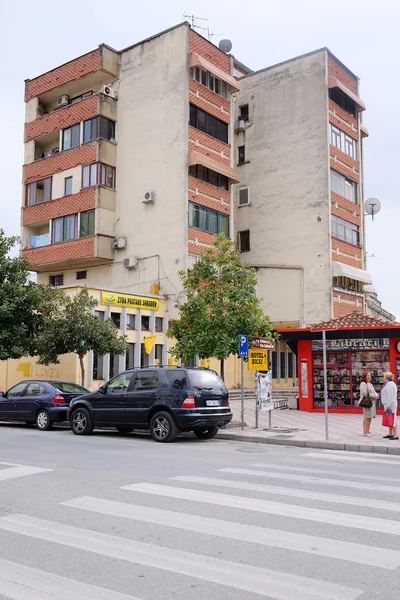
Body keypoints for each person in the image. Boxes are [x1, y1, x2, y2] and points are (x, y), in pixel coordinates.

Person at [359, 371, 378, 437]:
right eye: (368, 375)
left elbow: (374, 391)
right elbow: (364, 393)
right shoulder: (363, 384)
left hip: (371, 402)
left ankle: (368, 430)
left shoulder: (370, 384)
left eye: (370, 375)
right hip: (366, 402)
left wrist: (376, 395)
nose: (369, 377)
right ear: (364, 377)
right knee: (367, 417)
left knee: (370, 417)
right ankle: (365, 431)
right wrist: (373, 396)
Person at [381, 372, 398, 440]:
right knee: (390, 418)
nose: (383, 378)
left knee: (393, 419)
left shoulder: (390, 384)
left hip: (390, 404)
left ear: (387, 377)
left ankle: (395, 435)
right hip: (389, 404)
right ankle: (390, 433)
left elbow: (390, 396)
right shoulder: (389, 384)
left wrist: (388, 405)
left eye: (384, 377)